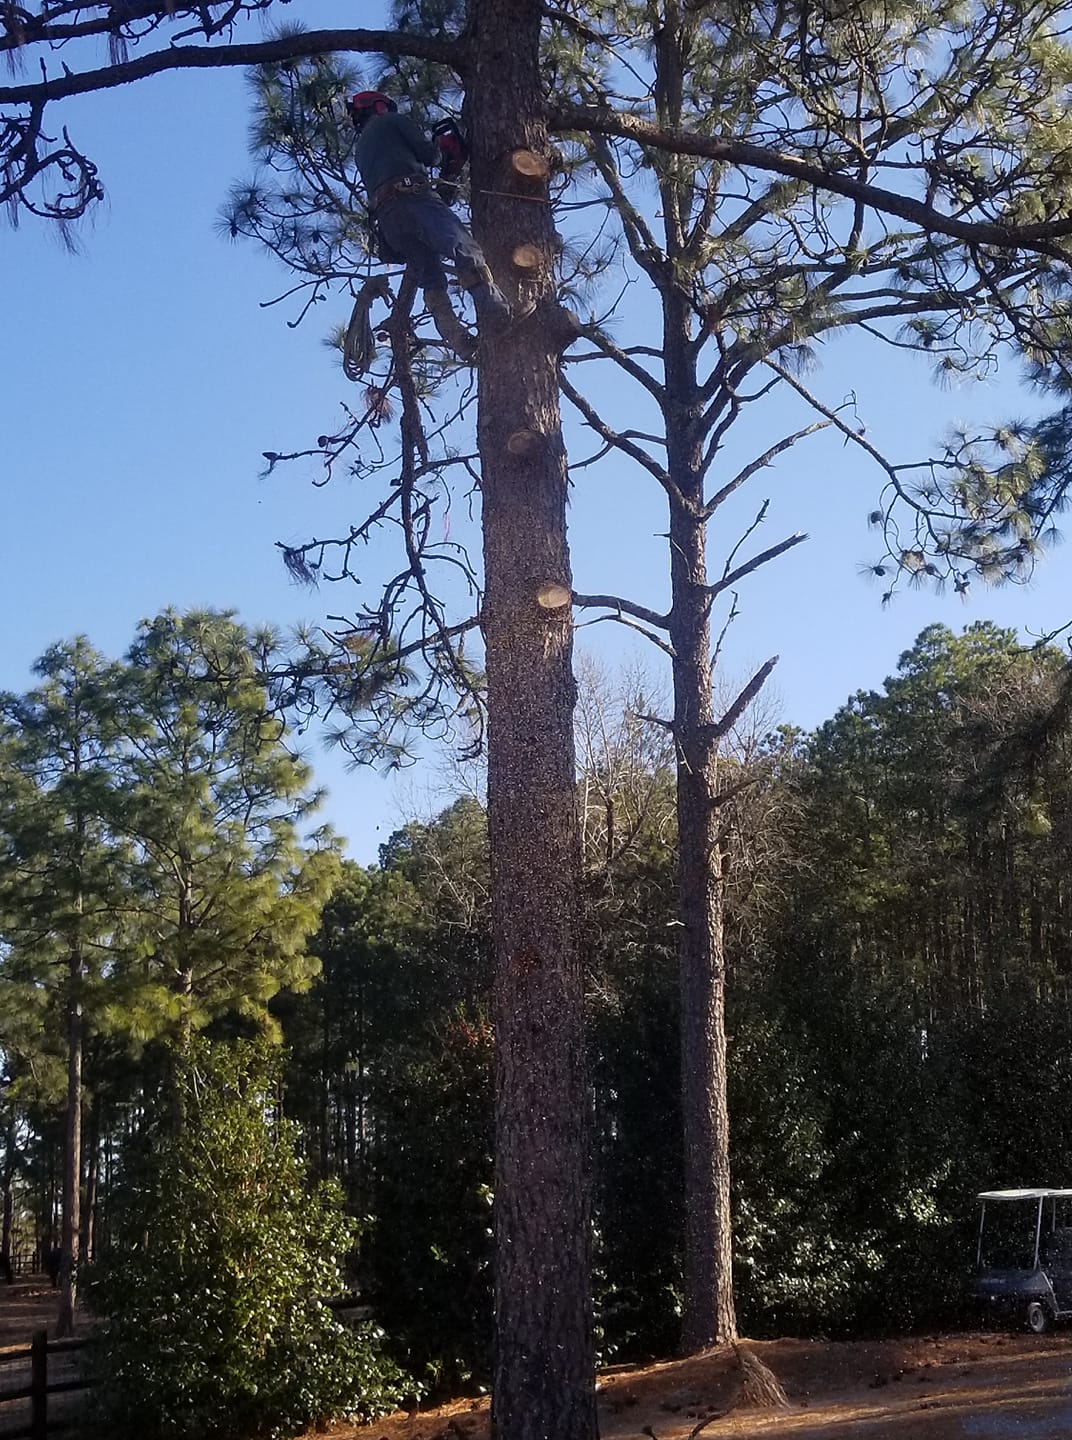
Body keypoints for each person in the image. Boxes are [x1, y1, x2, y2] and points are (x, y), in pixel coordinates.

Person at [349, 91, 516, 359]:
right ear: (380, 107)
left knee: (430, 277)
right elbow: (430, 156)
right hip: (414, 197)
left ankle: (458, 340)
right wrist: (444, 150)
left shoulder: (361, 149)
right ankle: (496, 311)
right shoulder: (392, 121)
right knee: (464, 247)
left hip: (389, 220)